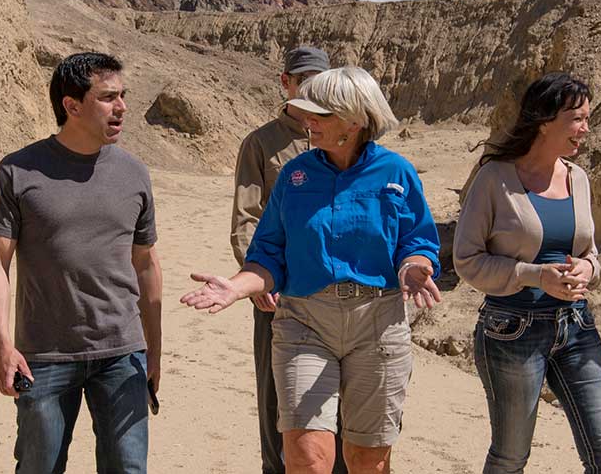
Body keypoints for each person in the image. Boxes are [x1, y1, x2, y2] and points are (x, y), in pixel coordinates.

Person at [182, 66, 440, 474]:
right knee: (307, 459)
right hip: (305, 324)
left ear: (354, 120)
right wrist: (234, 288)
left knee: (367, 461)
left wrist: (414, 265)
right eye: (305, 112)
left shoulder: (396, 173)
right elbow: (269, 254)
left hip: (378, 325)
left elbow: (418, 240)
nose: (307, 122)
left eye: (319, 114)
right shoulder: (294, 176)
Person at [0, 52, 164, 474]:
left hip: (122, 352)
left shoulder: (135, 173)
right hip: (44, 355)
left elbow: (147, 266)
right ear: (72, 105)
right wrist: (2, 346)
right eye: (108, 97)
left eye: (123, 96)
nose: (122, 107)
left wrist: (153, 351)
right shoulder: (18, 171)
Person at [453, 73, 601, 473]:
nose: (586, 128)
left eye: (587, 118)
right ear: (544, 120)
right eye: (577, 118)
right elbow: (467, 260)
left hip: (577, 326)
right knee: (511, 457)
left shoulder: (578, 178)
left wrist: (588, 268)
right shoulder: (494, 178)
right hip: (511, 330)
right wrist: (535, 275)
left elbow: (591, 253)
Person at [231, 46, 351, 474]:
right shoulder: (262, 143)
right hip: (279, 295)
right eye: (304, 80)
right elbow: (246, 220)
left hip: (337, 300)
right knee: (276, 399)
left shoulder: (344, 138)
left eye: (320, 79)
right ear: (286, 82)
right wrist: (260, 281)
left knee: (340, 404)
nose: (312, 88)